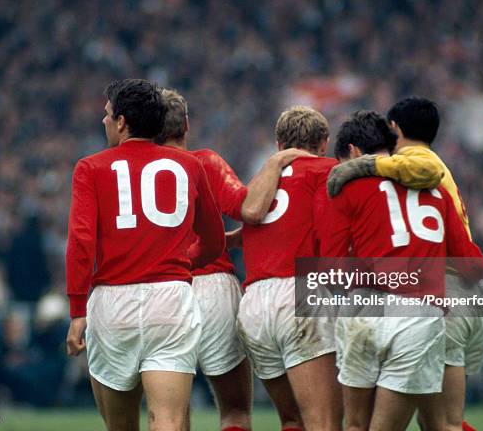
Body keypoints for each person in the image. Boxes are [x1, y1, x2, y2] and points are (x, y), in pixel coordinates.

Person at [65, 78, 225, 431]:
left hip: (111, 303)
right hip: (170, 300)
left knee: (120, 425)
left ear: (122, 122)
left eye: (107, 114)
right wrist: (181, 263)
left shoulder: (90, 168)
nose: (103, 120)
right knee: (167, 420)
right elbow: (214, 243)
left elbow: (80, 242)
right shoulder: (190, 166)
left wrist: (77, 309)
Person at [327, 97, 483, 431]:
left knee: (422, 423)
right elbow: (473, 263)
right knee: (441, 422)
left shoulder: (413, 166)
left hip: (412, 295)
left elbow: (335, 267)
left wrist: (359, 168)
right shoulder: (428, 184)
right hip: (441, 295)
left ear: (396, 129)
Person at [155, 89, 310, 431]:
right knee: (235, 412)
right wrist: (276, 162)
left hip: (158, 288)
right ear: (186, 125)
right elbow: (249, 208)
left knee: (169, 417)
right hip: (212, 288)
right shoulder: (204, 162)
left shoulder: (134, 174)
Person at [238, 106, 343, 431]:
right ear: (324, 143)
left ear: (278, 144)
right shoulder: (329, 171)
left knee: (292, 420)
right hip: (301, 293)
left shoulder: (264, 178)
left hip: (254, 303)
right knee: (323, 423)